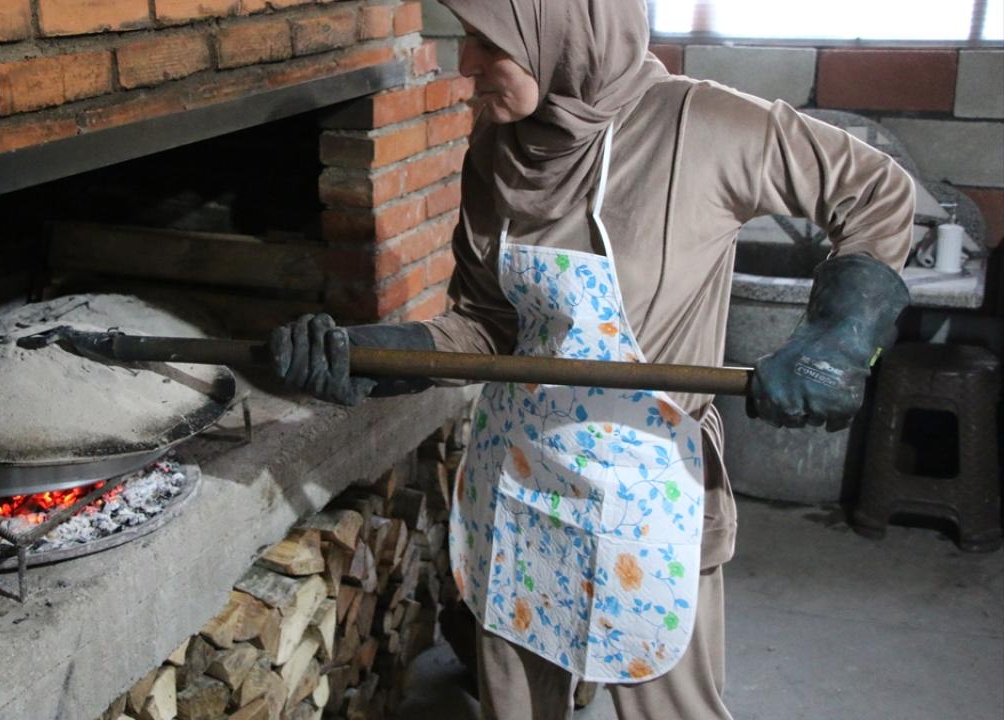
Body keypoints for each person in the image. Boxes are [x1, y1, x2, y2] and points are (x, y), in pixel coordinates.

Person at [269, 0, 913, 717]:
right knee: (514, 700)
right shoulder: (499, 145)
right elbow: (488, 326)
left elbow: (877, 190)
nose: (466, 66)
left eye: (490, 43)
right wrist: (373, 354)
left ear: (566, 33)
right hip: (519, 483)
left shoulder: (700, 126)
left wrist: (841, 335)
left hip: (649, 495)